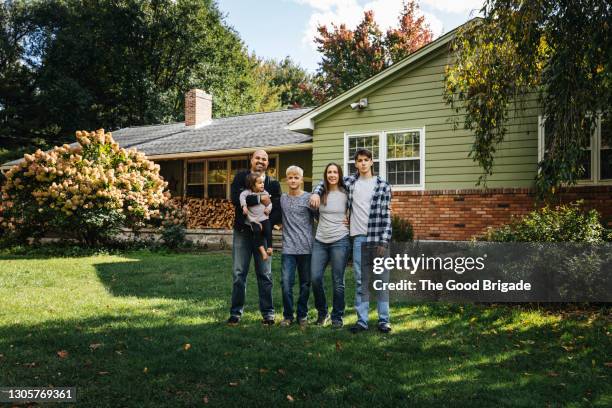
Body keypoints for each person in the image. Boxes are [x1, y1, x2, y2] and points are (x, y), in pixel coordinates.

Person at [310, 148, 393, 334]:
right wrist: (316, 192)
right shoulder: (350, 182)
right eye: (359, 160)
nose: (363, 163)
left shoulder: (383, 185)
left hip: (378, 237)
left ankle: (384, 320)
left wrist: (384, 241)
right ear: (355, 164)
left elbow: (387, 216)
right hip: (358, 238)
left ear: (372, 162)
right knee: (361, 281)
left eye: (366, 160)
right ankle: (362, 321)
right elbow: (326, 182)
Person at [227, 150, 281, 326]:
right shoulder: (241, 177)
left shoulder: (273, 184)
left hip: (262, 234)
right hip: (243, 232)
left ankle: (268, 314)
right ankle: (235, 313)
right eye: (257, 158)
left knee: (265, 274)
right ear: (251, 160)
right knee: (238, 274)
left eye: (264, 159)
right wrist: (261, 199)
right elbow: (235, 198)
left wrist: (266, 225)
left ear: (267, 163)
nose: (261, 161)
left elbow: (277, 209)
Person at [310, 163, 351, 329]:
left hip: (340, 240)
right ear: (325, 175)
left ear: (339, 174)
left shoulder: (347, 193)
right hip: (320, 240)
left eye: (335, 172)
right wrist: (315, 193)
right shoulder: (320, 192)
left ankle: (337, 316)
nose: (332, 175)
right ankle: (323, 313)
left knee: (337, 280)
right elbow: (314, 213)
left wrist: (350, 219)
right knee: (315, 277)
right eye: (329, 172)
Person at [279, 166, 314, 327]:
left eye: (296, 177)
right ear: (287, 180)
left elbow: (322, 217)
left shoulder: (309, 198)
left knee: (305, 284)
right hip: (288, 249)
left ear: (301, 179)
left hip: (306, 248)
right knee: (286, 284)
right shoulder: (282, 199)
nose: (293, 180)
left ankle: (302, 315)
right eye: (290, 177)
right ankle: (287, 316)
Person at [239, 172, 273, 261]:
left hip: (264, 217)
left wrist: (268, 209)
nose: (262, 184)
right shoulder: (247, 192)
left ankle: (269, 247)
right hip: (253, 219)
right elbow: (242, 197)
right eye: (260, 183)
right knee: (256, 232)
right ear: (252, 185)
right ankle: (262, 252)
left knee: (268, 230)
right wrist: (244, 206)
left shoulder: (265, 192)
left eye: (263, 182)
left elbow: (270, 203)